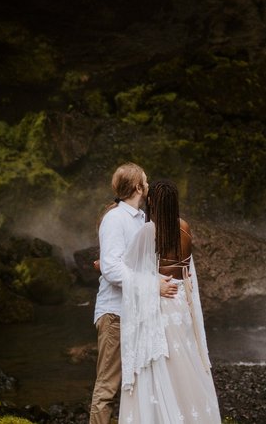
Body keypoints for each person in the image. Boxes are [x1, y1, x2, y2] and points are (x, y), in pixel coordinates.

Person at [119, 180, 221, 424]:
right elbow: (186, 269)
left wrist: (106, 266)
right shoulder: (184, 227)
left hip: (161, 300)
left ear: (152, 201)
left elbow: (130, 268)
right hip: (180, 301)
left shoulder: (149, 230)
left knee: (158, 361)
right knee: (184, 358)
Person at [90, 163, 178, 424]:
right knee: (108, 386)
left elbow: (133, 264)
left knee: (137, 382)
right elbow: (113, 270)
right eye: (146, 181)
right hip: (116, 314)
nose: (149, 186)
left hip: (137, 312)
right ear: (138, 187)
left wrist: (161, 279)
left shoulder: (141, 219)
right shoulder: (115, 219)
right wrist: (153, 286)